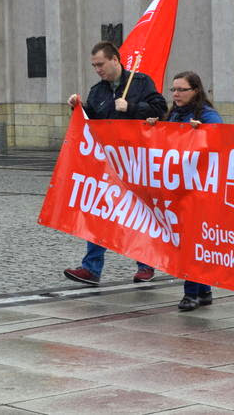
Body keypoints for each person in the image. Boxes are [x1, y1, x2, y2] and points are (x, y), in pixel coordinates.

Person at [63, 41, 167, 285]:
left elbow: (160, 109)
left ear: (115, 60)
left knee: (138, 212)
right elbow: (91, 121)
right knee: (99, 211)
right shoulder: (97, 90)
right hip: (107, 162)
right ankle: (91, 268)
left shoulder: (141, 82)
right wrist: (79, 108)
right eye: (94, 65)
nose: (97, 69)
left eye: (100, 64)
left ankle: (145, 263)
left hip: (135, 160)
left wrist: (131, 107)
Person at [146, 71, 222, 311]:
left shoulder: (207, 115)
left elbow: (221, 139)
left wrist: (204, 132)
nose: (176, 94)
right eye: (174, 90)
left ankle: (191, 294)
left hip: (198, 190)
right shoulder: (173, 115)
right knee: (189, 241)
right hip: (178, 188)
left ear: (195, 91)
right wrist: (155, 128)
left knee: (191, 241)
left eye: (181, 90)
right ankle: (204, 290)